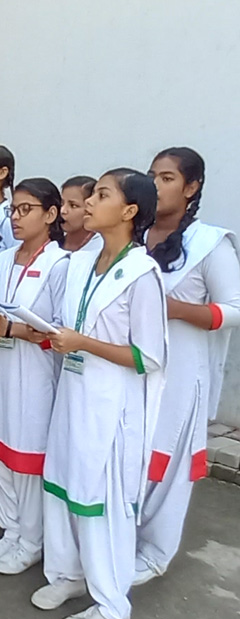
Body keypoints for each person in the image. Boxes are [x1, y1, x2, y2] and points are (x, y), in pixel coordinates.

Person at [36, 169, 167, 619]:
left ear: (129, 212)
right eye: (90, 194)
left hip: (111, 407)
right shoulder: (80, 263)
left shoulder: (141, 274)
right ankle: (67, 574)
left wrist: (83, 343)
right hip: (72, 395)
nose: (88, 201)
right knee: (62, 485)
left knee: (99, 499)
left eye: (101, 195)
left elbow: (148, 356)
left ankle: (112, 603)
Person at [136, 148, 240, 584]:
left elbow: (234, 308)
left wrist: (179, 310)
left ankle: (154, 551)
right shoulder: (134, 236)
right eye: (152, 178)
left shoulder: (208, 244)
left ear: (191, 187)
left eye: (167, 178)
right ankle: (114, 539)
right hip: (130, 368)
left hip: (179, 373)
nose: (156, 187)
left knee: (167, 462)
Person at [0, 179, 70, 573]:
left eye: (26, 209)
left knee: (25, 458)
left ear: (50, 215)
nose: (15, 216)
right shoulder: (3, 259)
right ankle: (10, 531)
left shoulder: (59, 264)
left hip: (34, 373)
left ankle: (31, 539)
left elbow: (61, 331)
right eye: (13, 208)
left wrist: (11, 329)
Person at [61, 176, 100, 252]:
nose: (63, 211)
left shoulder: (99, 248)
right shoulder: (52, 245)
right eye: (61, 204)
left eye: (73, 206)